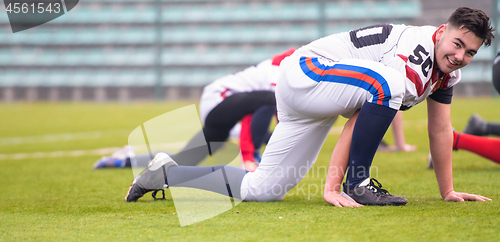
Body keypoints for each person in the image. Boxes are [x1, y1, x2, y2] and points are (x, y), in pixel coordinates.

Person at [125, 7, 493, 207]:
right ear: (442, 30)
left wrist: (447, 191)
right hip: (308, 72)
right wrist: (335, 185)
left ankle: (167, 174)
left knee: (265, 189)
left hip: (315, 96)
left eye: (470, 53)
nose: (460, 56)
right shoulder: (415, 51)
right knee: (389, 85)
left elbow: (441, 129)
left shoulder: (445, 73)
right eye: (457, 43)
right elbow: (368, 108)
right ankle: (358, 183)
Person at [94, 48, 296, 172]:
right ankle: (250, 160)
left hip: (222, 108)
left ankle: (124, 160)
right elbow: (274, 112)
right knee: (269, 99)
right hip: (218, 102)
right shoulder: (275, 73)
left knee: (184, 160)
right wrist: (248, 156)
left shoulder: (274, 72)